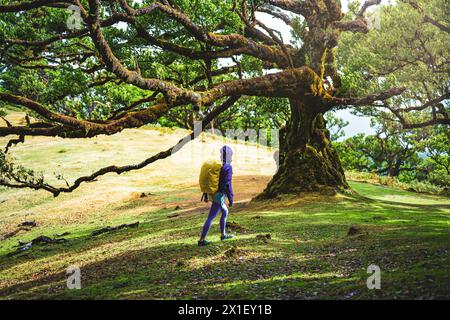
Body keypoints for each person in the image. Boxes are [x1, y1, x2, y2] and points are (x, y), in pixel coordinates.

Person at [198, 145, 234, 246]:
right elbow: (228, 184)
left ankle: (223, 235)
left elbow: (210, 179)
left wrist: (205, 194)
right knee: (211, 217)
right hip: (219, 194)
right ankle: (202, 240)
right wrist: (231, 199)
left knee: (225, 211)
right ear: (229, 155)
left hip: (213, 192)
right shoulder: (227, 167)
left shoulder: (217, 165)